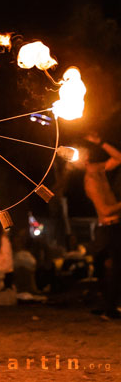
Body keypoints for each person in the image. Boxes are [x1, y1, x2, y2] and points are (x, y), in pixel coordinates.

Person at [78, 134, 121, 319]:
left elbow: (119, 158)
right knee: (116, 267)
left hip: (113, 226)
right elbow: (105, 210)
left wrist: (101, 141)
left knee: (112, 267)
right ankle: (109, 309)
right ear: (85, 161)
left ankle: (107, 306)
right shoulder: (92, 182)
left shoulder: (99, 170)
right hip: (108, 227)